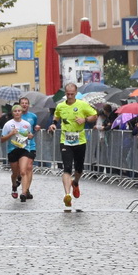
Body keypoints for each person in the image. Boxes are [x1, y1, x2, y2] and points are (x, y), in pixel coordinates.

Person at [52, 82, 99, 210]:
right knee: (66, 168)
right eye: (68, 94)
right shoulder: (60, 106)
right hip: (65, 140)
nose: (70, 96)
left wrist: (85, 120)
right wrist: (53, 124)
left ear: (76, 93)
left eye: (72, 94)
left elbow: (94, 115)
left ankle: (76, 182)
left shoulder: (82, 105)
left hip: (80, 140)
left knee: (79, 168)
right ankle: (67, 195)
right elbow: (56, 115)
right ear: (65, 93)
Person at [2, 99, 38, 201]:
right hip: (12, 150)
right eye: (15, 111)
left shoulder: (26, 124)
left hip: (24, 149)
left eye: (19, 111)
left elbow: (30, 135)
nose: (17, 113)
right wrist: (10, 134)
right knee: (15, 173)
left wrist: (30, 136)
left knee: (23, 171)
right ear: (12, 113)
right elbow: (2, 139)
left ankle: (24, 192)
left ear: (21, 112)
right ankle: (14, 185)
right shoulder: (8, 124)